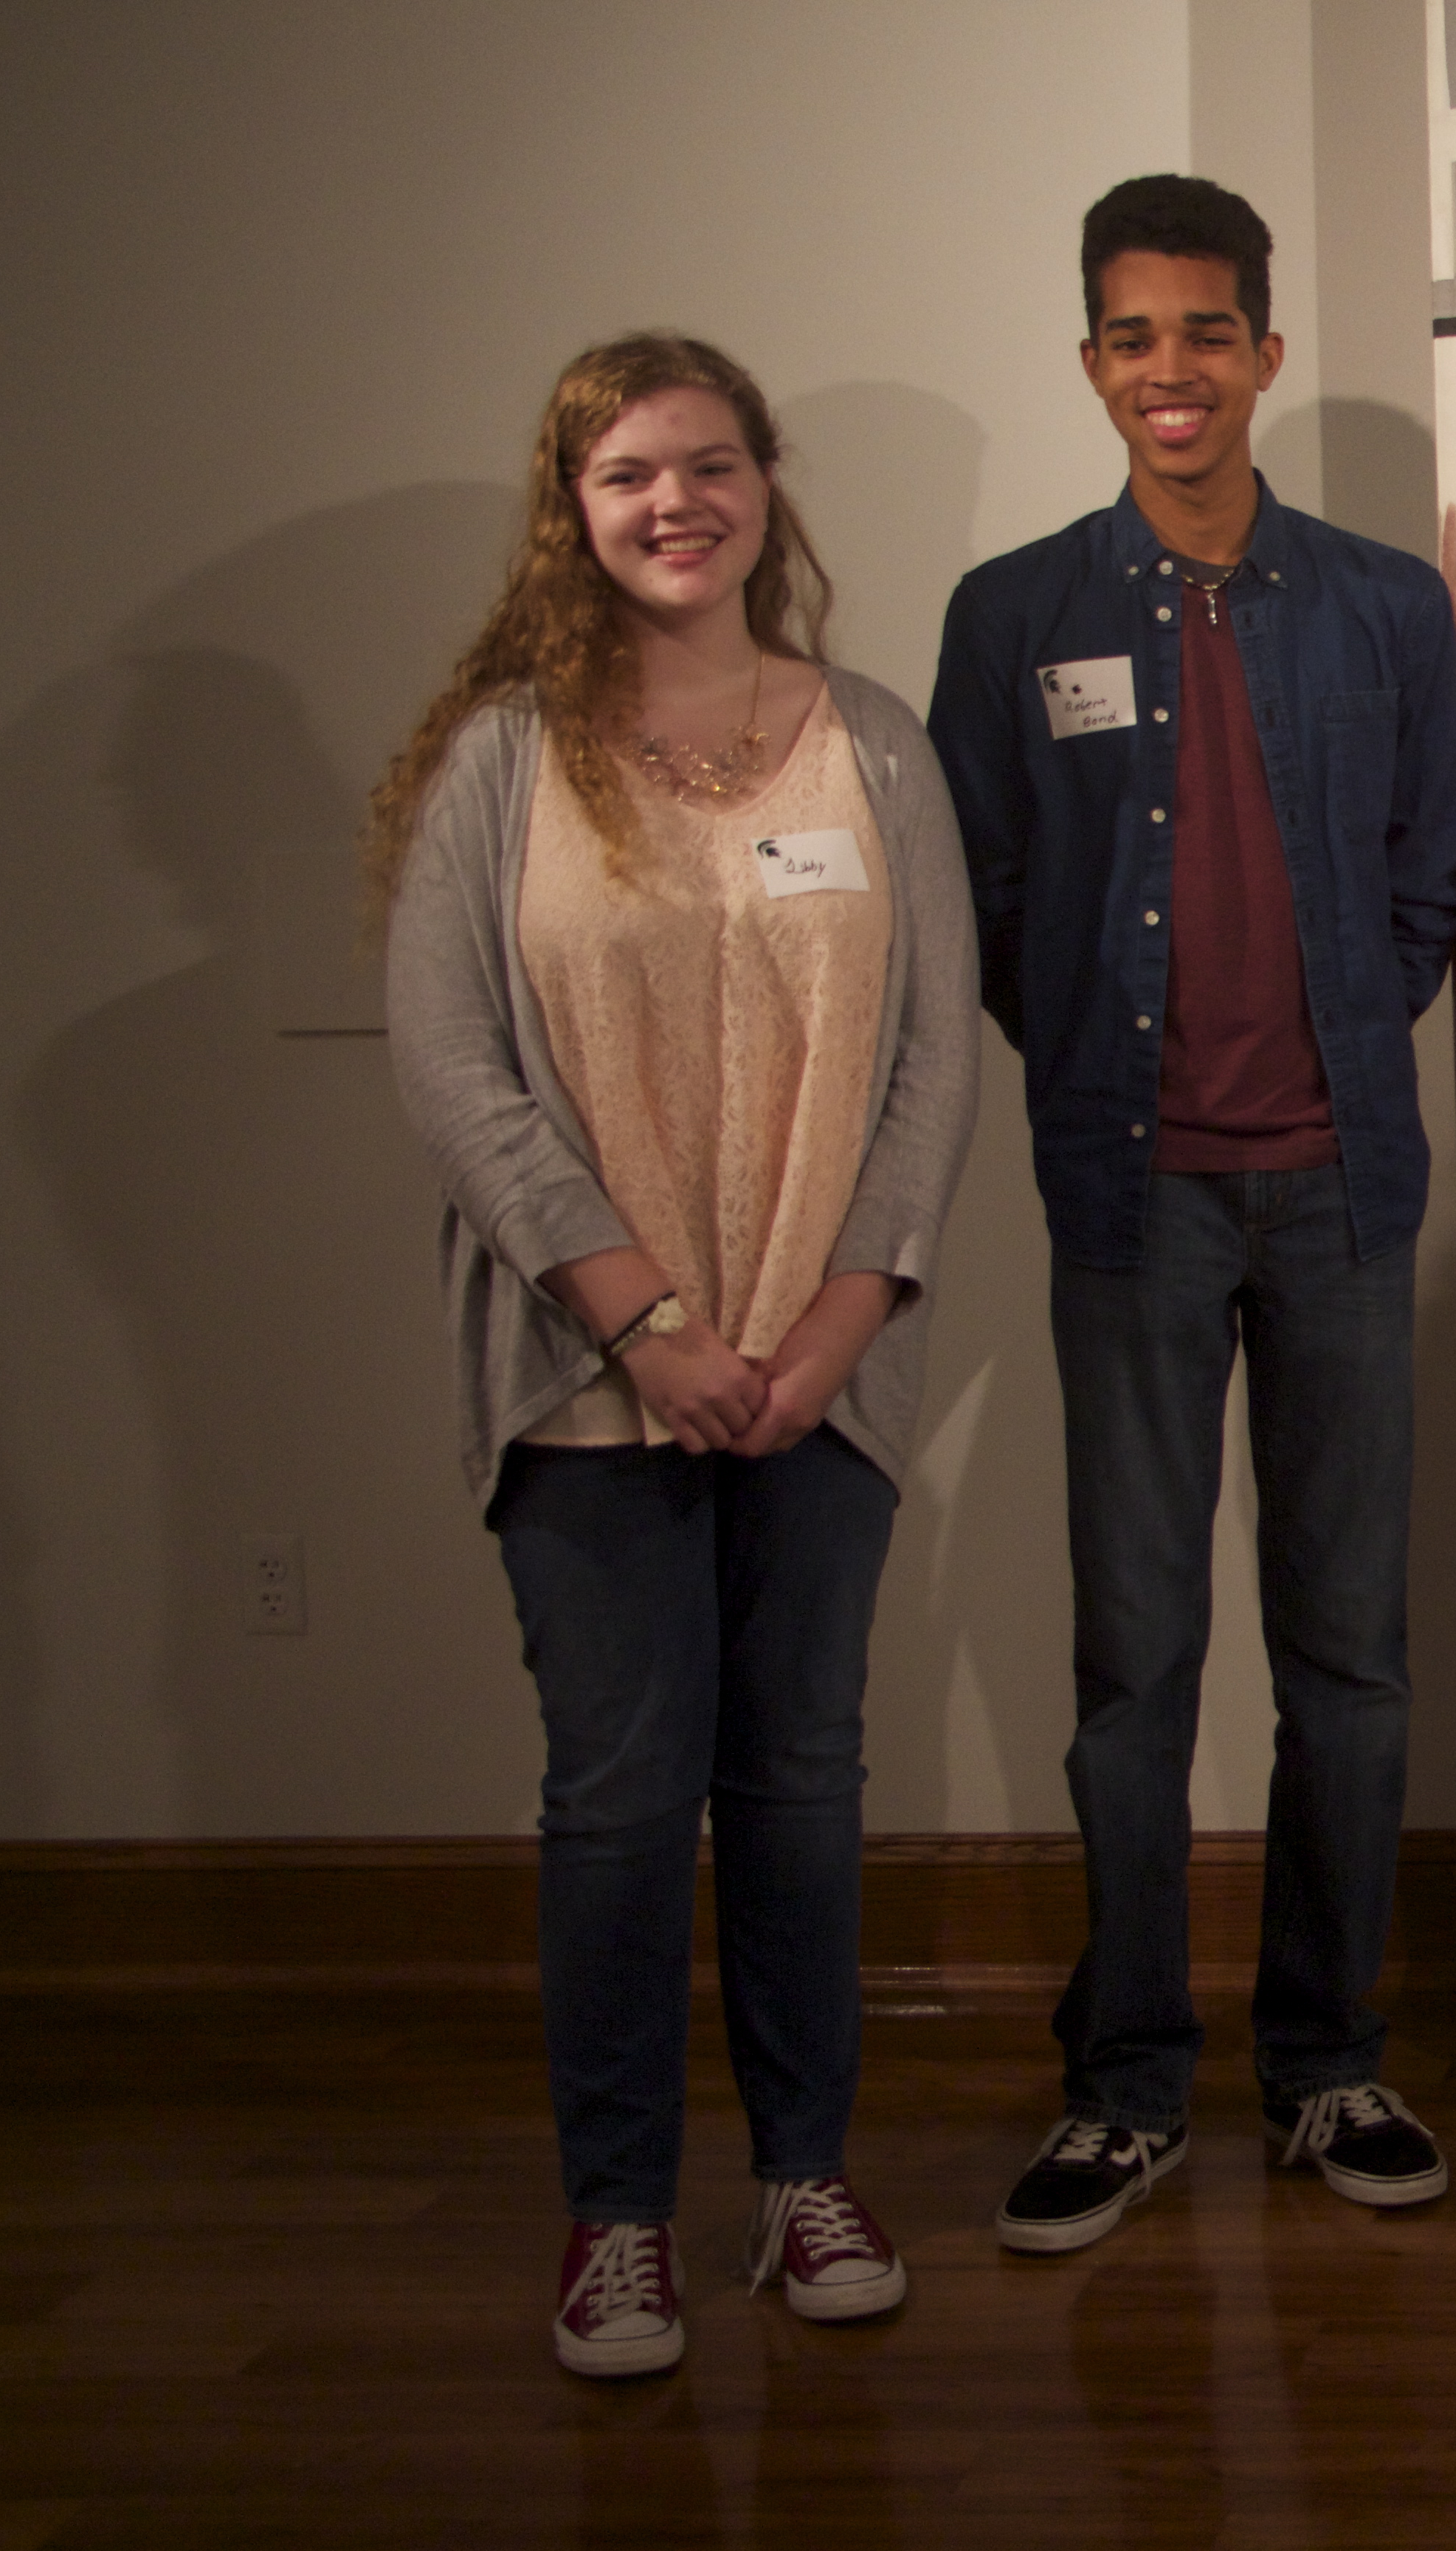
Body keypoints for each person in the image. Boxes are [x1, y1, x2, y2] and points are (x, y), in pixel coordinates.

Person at [373, 332, 979, 2376]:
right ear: (576, 505)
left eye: (709, 465)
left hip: (819, 1378)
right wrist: (647, 1321)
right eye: (629, 474)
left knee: (802, 1788)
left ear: (765, 486)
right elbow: (457, 1074)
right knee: (623, 1803)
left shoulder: (877, 745)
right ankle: (618, 2218)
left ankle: (806, 2180)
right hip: (586, 1380)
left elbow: (928, 1066)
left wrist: (822, 1335)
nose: (674, 504)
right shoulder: (499, 763)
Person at [929, 174, 1456, 2248]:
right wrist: (1101, 1066)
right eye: (1131, 338)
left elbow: (1430, 878)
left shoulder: (1384, 606)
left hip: (1340, 1192)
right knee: (1133, 1665)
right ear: (1095, 365)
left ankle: (1329, 2064)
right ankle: (1128, 2081)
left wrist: (1339, 1041)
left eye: (1205, 332)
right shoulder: (1014, 614)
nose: (1172, 370)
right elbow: (984, 903)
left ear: (1260, 351)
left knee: (1349, 1661)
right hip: (1130, 1201)